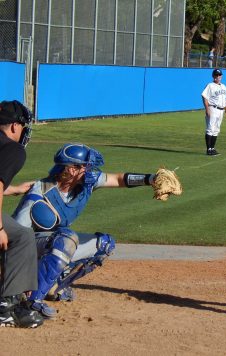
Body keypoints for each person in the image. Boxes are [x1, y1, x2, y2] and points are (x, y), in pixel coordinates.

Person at [12, 142, 164, 319]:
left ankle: (52, 287)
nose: (90, 170)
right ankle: (31, 301)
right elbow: (16, 237)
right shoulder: (40, 193)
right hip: (30, 249)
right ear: (71, 169)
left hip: (53, 245)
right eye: (85, 166)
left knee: (104, 244)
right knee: (66, 239)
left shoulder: (86, 183)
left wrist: (151, 179)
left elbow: (118, 179)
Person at [0, 100, 44, 328]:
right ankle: (6, 306)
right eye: (24, 126)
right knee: (21, 236)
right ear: (15, 126)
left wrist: (14, 189)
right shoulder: (12, 149)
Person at [201, 68, 226, 156]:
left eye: (219, 75)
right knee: (210, 129)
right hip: (213, 109)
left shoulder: (224, 86)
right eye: (216, 75)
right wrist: (207, 109)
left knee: (216, 130)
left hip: (221, 110)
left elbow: (225, 100)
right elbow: (204, 97)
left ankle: (212, 148)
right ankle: (208, 149)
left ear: (221, 76)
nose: (218, 76)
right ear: (213, 76)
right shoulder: (210, 85)